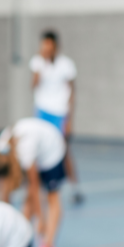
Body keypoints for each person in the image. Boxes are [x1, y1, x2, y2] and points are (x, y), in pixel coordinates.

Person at [0, 118, 66, 247]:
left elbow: (34, 187)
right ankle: (18, 237)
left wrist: (41, 219)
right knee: (28, 199)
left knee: (52, 197)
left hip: (51, 149)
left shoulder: (25, 151)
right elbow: (6, 192)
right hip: (34, 148)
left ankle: (48, 246)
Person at [29, 30, 83, 204]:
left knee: (64, 151)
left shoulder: (66, 64)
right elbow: (34, 85)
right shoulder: (37, 62)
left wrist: (69, 120)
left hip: (59, 113)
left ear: (55, 46)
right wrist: (40, 66)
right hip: (42, 112)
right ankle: (41, 188)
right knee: (39, 151)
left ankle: (75, 188)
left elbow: (72, 91)